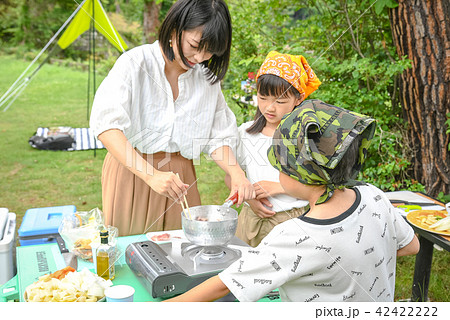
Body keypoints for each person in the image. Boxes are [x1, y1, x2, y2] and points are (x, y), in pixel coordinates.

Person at [166, 99, 420, 302]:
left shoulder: (294, 236)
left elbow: (223, 287)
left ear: (298, 173)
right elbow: (411, 246)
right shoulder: (373, 195)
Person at [89, 0, 254, 236]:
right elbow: (107, 126)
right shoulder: (135, 63)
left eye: (209, 52)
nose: (199, 57)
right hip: (132, 171)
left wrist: (237, 174)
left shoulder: (206, 80)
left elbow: (218, 137)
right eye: (195, 45)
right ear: (176, 27)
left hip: (181, 179)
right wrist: (151, 175)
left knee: (180, 256)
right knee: (130, 254)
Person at [229, 51, 321, 247]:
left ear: (298, 99)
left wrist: (278, 187)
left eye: (280, 102)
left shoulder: (305, 136)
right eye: (263, 98)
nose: (270, 108)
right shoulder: (245, 133)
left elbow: (319, 187)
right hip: (250, 220)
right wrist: (249, 200)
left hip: (292, 222)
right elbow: (233, 173)